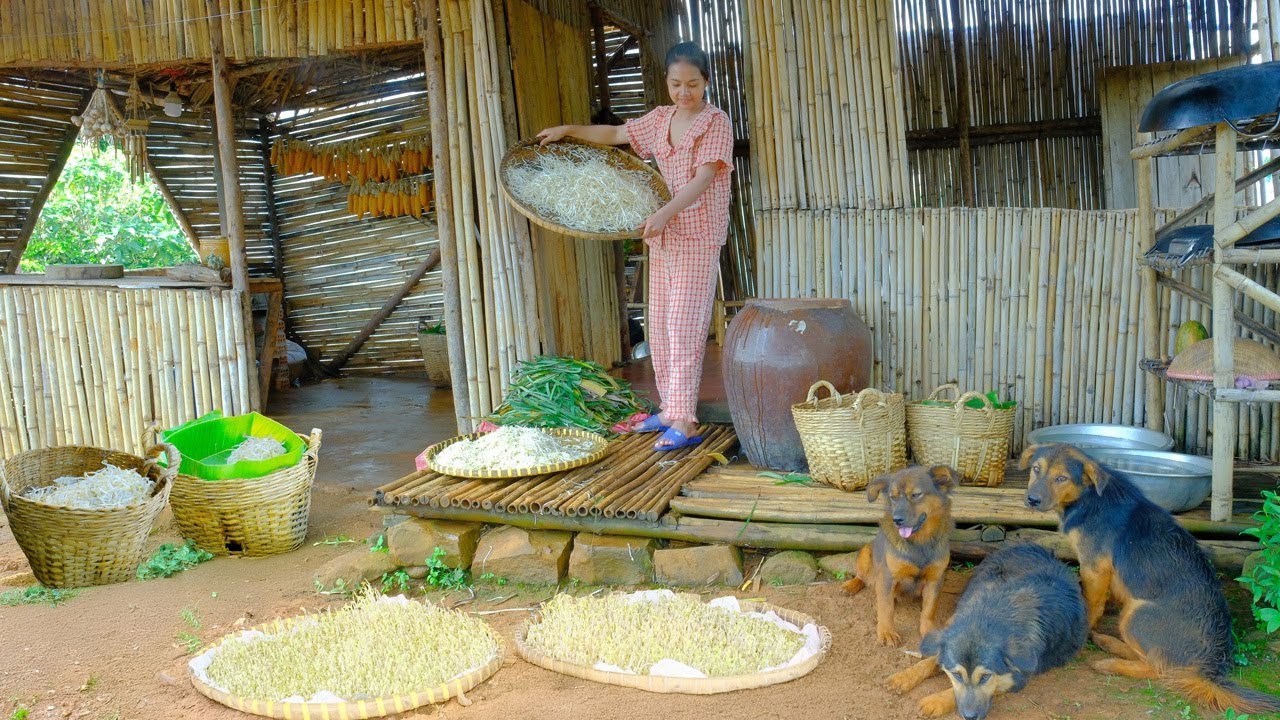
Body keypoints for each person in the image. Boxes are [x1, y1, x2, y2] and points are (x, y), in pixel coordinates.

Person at [537, 42, 733, 452]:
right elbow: (616, 133)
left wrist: (664, 213)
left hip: (698, 232)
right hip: (664, 234)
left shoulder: (715, 122)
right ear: (666, 82)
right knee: (659, 323)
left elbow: (703, 178)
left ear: (706, 82)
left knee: (684, 325)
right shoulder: (661, 119)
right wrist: (567, 130)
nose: (684, 92)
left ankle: (686, 419)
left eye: (693, 84)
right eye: (676, 84)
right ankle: (668, 409)